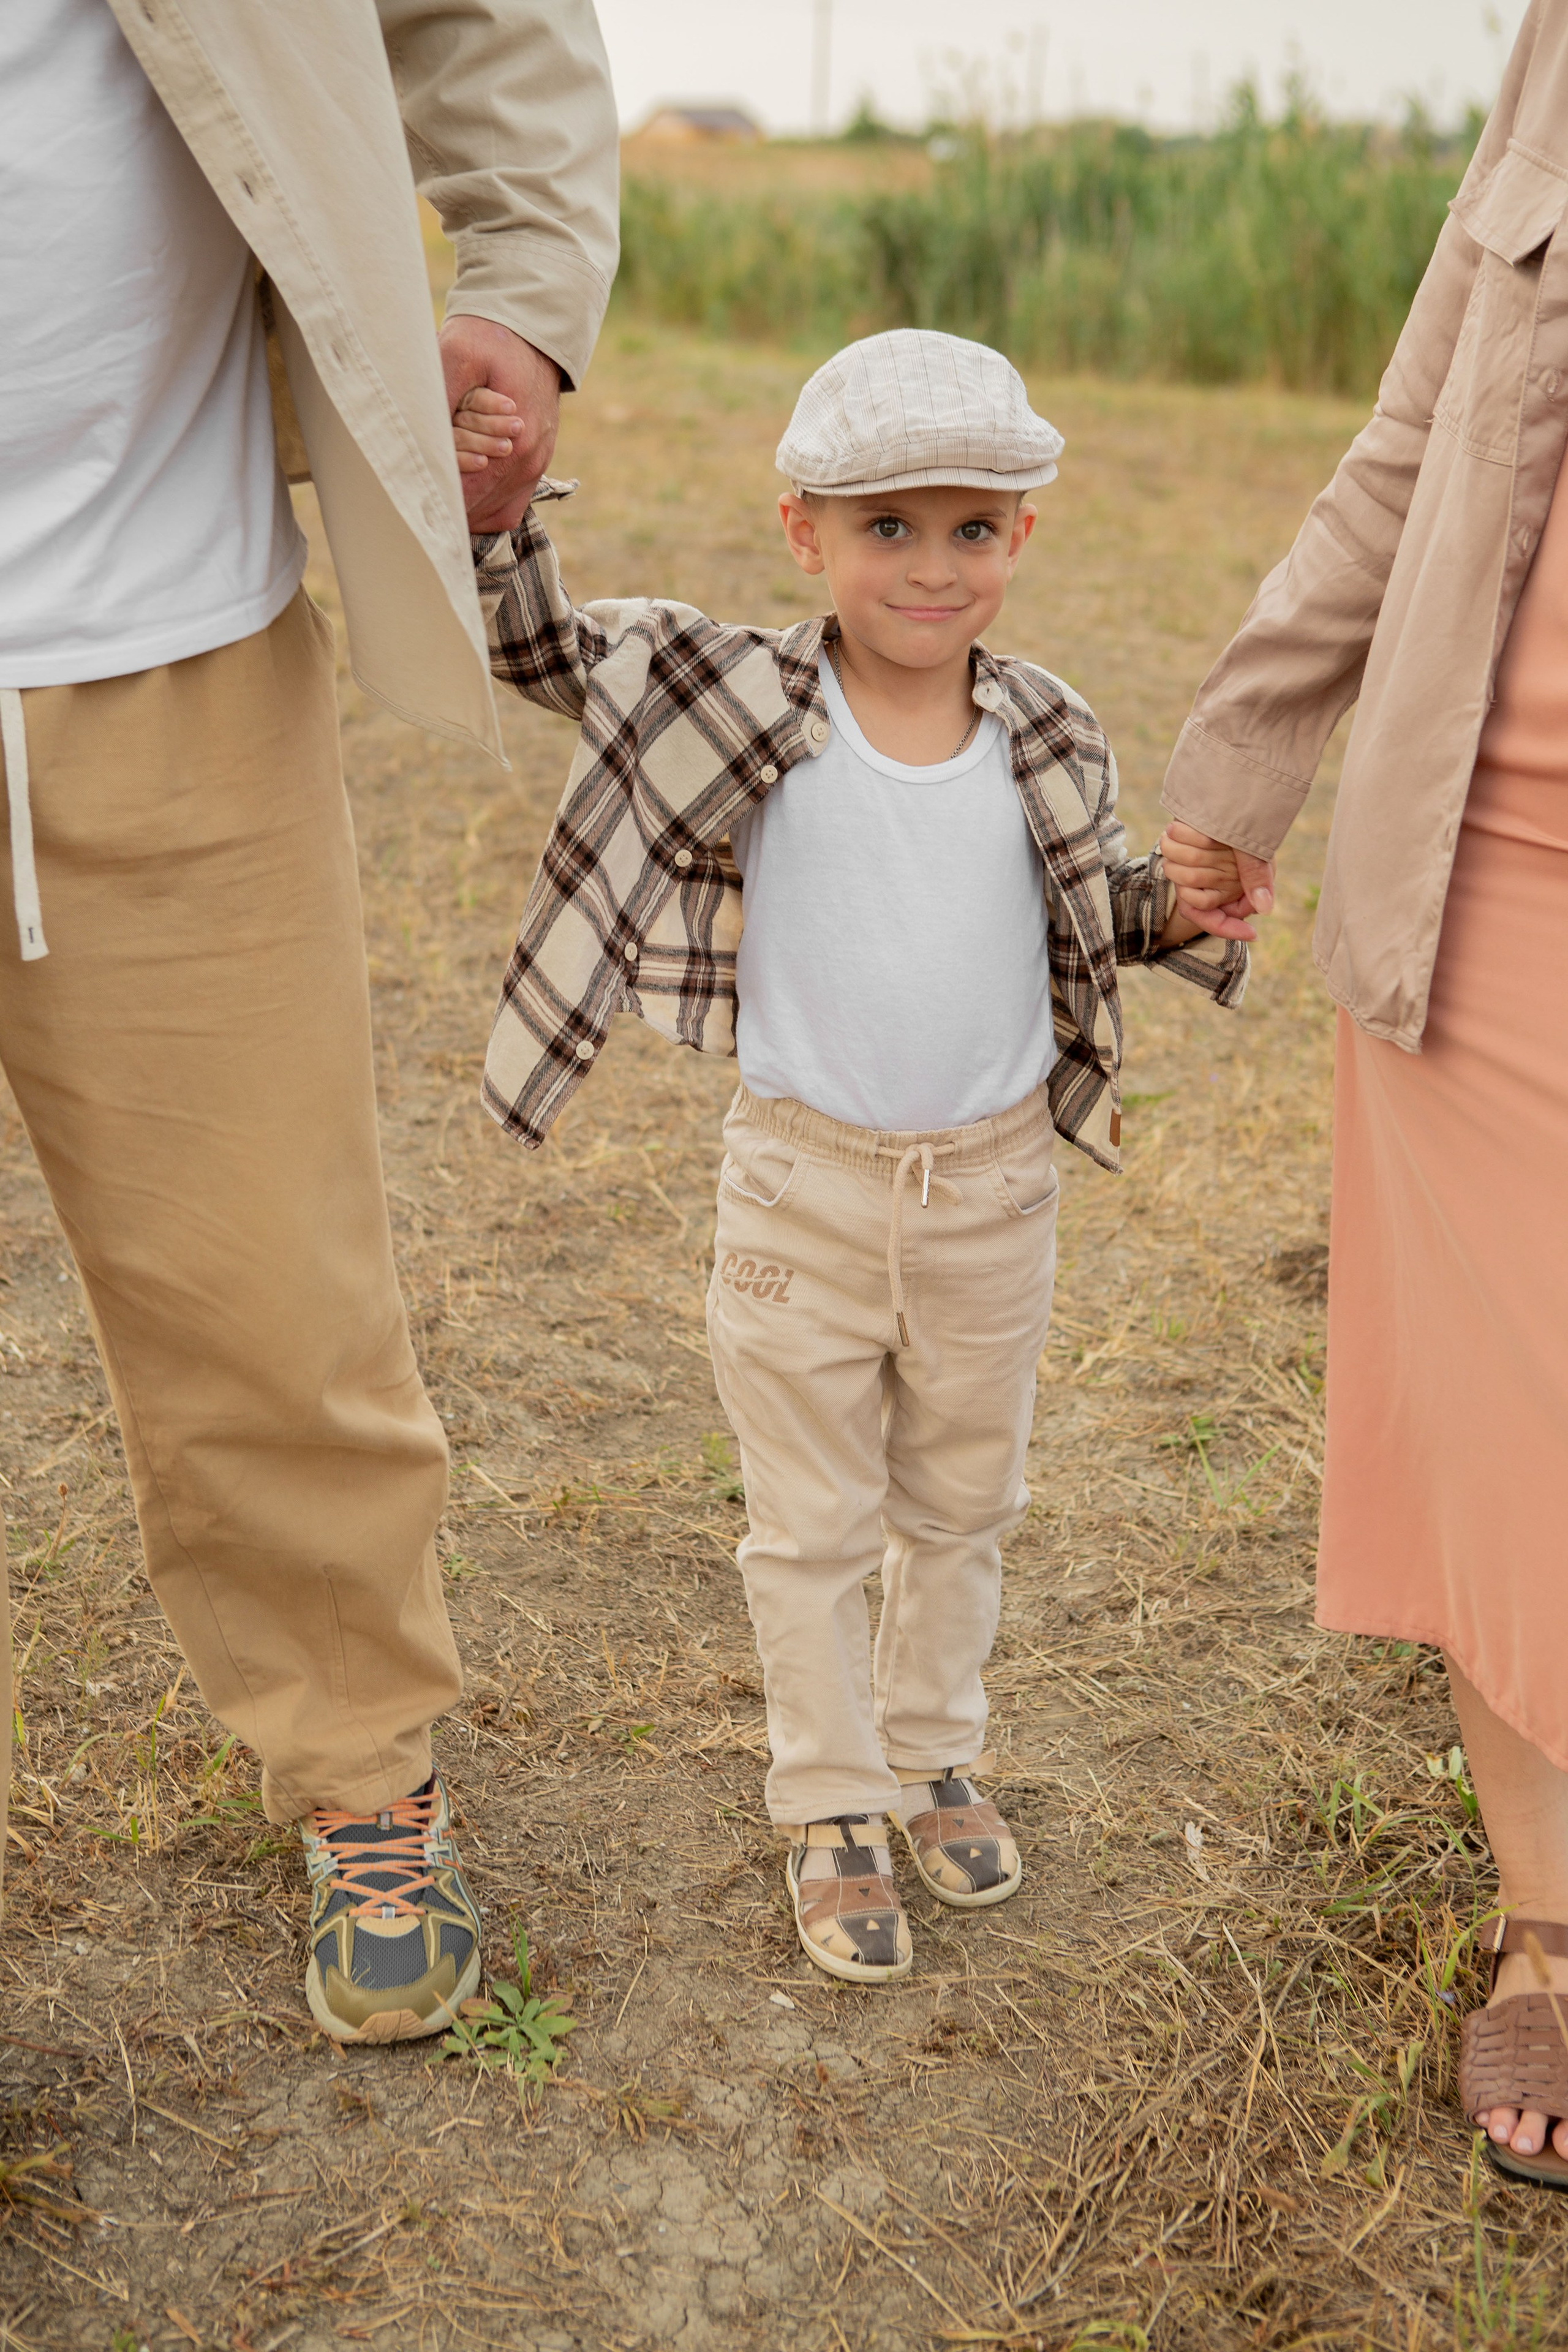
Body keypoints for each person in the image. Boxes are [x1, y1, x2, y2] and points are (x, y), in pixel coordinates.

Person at [458, 329, 1250, 1983]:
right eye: (886, 529)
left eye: (973, 530)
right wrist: (497, 513)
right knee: (812, 1518)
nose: (933, 568)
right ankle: (829, 1797)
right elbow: (534, 650)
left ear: (1022, 537)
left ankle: (931, 1744)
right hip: (801, 1190)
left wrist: (1164, 910)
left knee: (965, 1500)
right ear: (800, 532)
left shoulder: (1047, 729)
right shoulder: (738, 690)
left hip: (992, 1190)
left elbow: (1066, 909)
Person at [0, 0, 617, 2046]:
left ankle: (365, 1767)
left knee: (274, 1297)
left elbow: (492, 17)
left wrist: (523, 305)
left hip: (160, 636)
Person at [1158, 0, 1568, 2188]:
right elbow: (1419, 428)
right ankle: (1553, 1929)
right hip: (1491, 856)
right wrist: (1245, 754)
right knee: (1519, 1425)